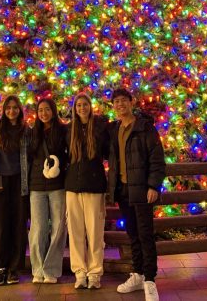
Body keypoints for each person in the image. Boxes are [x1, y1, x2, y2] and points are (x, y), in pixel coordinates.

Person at [107, 88, 166, 301]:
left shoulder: (145, 128)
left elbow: (157, 159)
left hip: (141, 189)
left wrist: (153, 186)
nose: (120, 105)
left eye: (124, 100)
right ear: (113, 106)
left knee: (145, 234)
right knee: (132, 233)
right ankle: (138, 274)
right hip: (122, 190)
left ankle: (150, 280)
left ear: (131, 102)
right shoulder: (114, 130)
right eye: (116, 102)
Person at [0, 95, 31, 286]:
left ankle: (14, 268)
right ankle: (0, 267)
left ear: (20, 110)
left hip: (20, 180)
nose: (12, 111)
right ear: (4, 110)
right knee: (1, 224)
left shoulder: (26, 130)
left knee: (19, 224)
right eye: (8, 108)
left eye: (15, 108)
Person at [65, 93, 110, 290]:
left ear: (90, 107)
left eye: (85, 105)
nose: (82, 108)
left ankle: (94, 272)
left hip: (94, 186)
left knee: (94, 232)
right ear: (74, 109)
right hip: (73, 187)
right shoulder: (69, 130)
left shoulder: (100, 128)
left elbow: (109, 152)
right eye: (78, 105)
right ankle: (80, 272)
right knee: (75, 233)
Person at [28, 98, 68, 284]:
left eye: (47, 109)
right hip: (37, 186)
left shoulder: (63, 131)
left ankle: (51, 269)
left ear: (53, 111)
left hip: (58, 185)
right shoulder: (32, 132)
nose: (43, 113)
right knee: (38, 229)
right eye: (40, 110)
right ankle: (37, 269)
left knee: (59, 228)